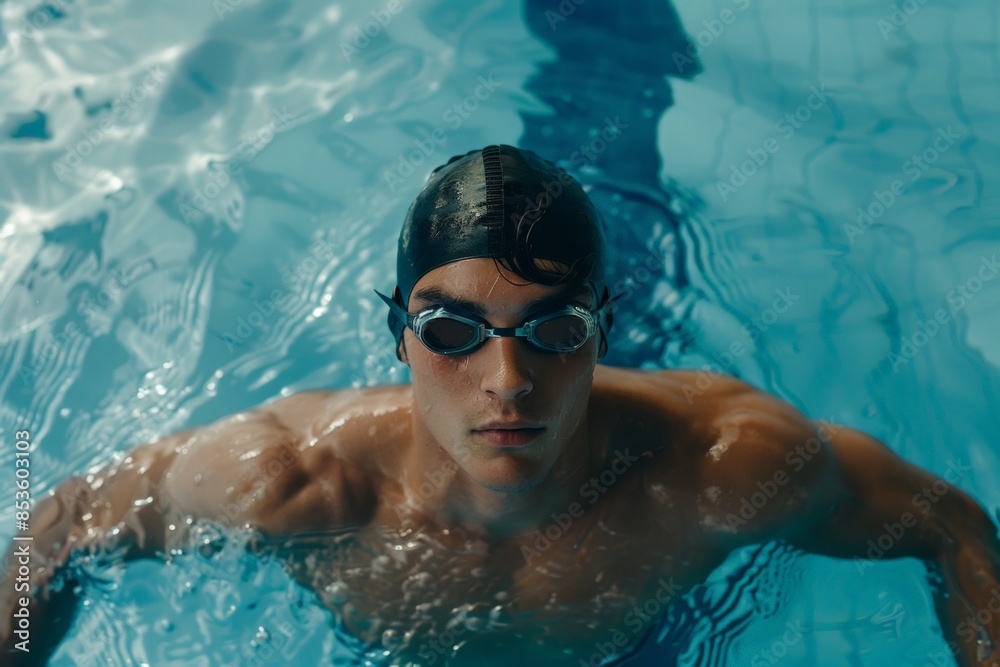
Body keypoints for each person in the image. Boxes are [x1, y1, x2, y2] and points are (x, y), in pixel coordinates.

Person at [3, 145, 999, 666]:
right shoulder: (298, 483)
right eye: (452, 333)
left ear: (603, 331)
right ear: (398, 335)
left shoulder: (717, 470)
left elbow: (949, 525)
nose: (507, 382)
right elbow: (58, 526)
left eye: (553, 330)